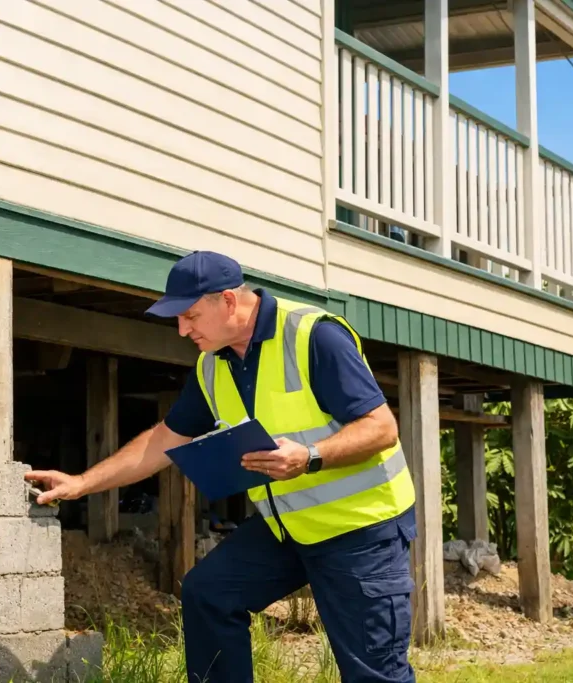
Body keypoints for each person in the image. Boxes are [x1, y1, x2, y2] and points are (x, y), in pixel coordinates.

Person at [25, 250, 418, 683]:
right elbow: (163, 440)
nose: (182, 329)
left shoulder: (313, 337)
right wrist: (83, 483)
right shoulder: (212, 365)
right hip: (287, 527)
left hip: (360, 529)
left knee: (373, 674)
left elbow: (381, 428)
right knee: (208, 593)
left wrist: (309, 457)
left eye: (190, 315)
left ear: (228, 301)